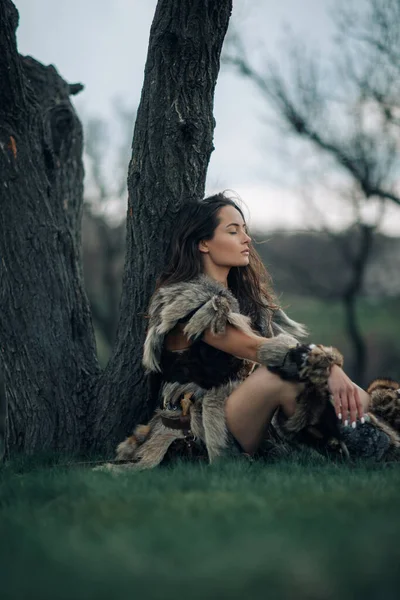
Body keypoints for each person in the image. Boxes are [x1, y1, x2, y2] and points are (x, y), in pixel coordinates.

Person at [114, 192, 400, 470]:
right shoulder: (186, 302)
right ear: (204, 243)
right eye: (233, 231)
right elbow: (257, 349)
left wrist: (324, 374)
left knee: (312, 384)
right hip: (197, 434)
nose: (246, 238)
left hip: (240, 418)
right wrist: (326, 365)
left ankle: (379, 442)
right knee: (279, 376)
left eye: (245, 230)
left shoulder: (242, 301)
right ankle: (384, 455)